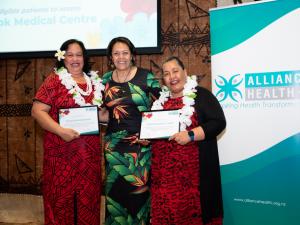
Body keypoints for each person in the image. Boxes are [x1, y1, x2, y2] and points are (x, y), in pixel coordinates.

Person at [31, 39, 105, 225]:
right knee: (61, 205)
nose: (75, 59)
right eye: (70, 55)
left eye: (79, 54)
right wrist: (60, 131)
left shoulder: (95, 83)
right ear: (63, 58)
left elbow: (101, 115)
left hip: (88, 159)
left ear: (84, 58)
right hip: (61, 158)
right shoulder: (54, 81)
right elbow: (37, 111)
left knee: (88, 204)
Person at [150, 56, 226, 225]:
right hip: (164, 180)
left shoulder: (201, 96)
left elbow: (218, 122)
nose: (172, 77)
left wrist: (190, 135)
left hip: (194, 182)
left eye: (175, 71)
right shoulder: (160, 102)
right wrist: (147, 139)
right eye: (167, 74)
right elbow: (156, 131)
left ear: (185, 72)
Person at [101, 36, 161, 224]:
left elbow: (161, 108)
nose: (121, 57)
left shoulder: (147, 77)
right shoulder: (104, 80)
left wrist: (151, 136)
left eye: (125, 53)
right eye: (116, 53)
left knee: (139, 196)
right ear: (111, 57)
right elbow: (103, 113)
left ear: (132, 55)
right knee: (115, 198)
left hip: (140, 147)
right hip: (113, 148)